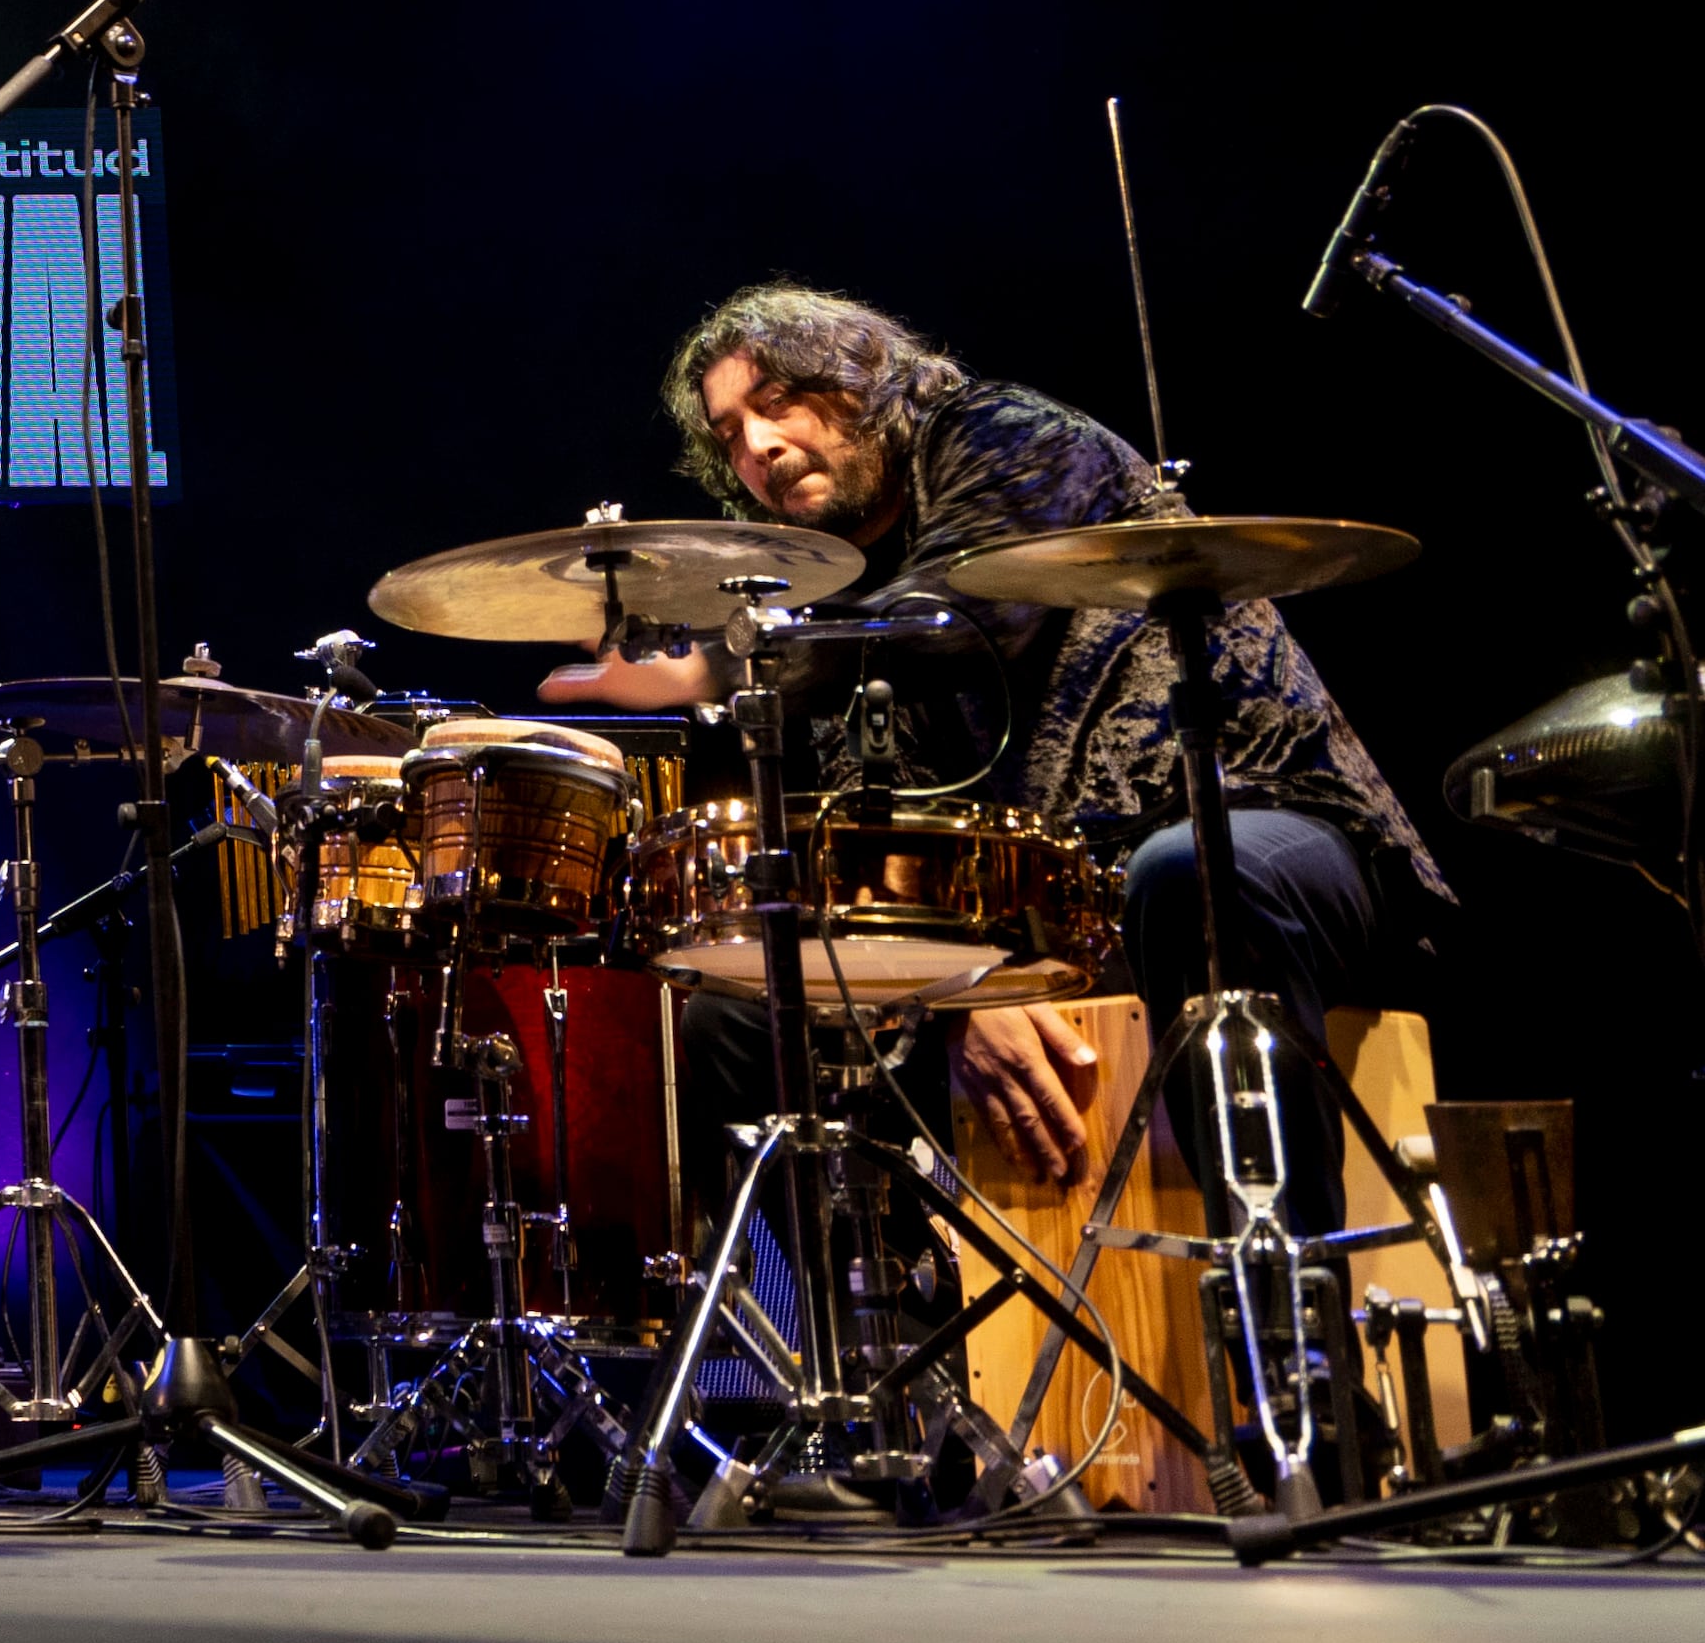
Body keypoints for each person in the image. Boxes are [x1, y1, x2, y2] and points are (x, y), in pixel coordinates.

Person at [546, 283, 1446, 1230]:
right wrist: (952, 993)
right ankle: (896, 1354)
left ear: (860, 379)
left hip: (1261, 825)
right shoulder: (819, 593)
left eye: (777, 402)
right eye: (729, 434)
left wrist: (715, 664)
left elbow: (960, 622)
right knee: (738, 1015)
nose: (757, 448)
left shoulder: (1005, 435)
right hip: (1034, 918)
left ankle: (1285, 1334)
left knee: (1183, 873)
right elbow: (873, 853)